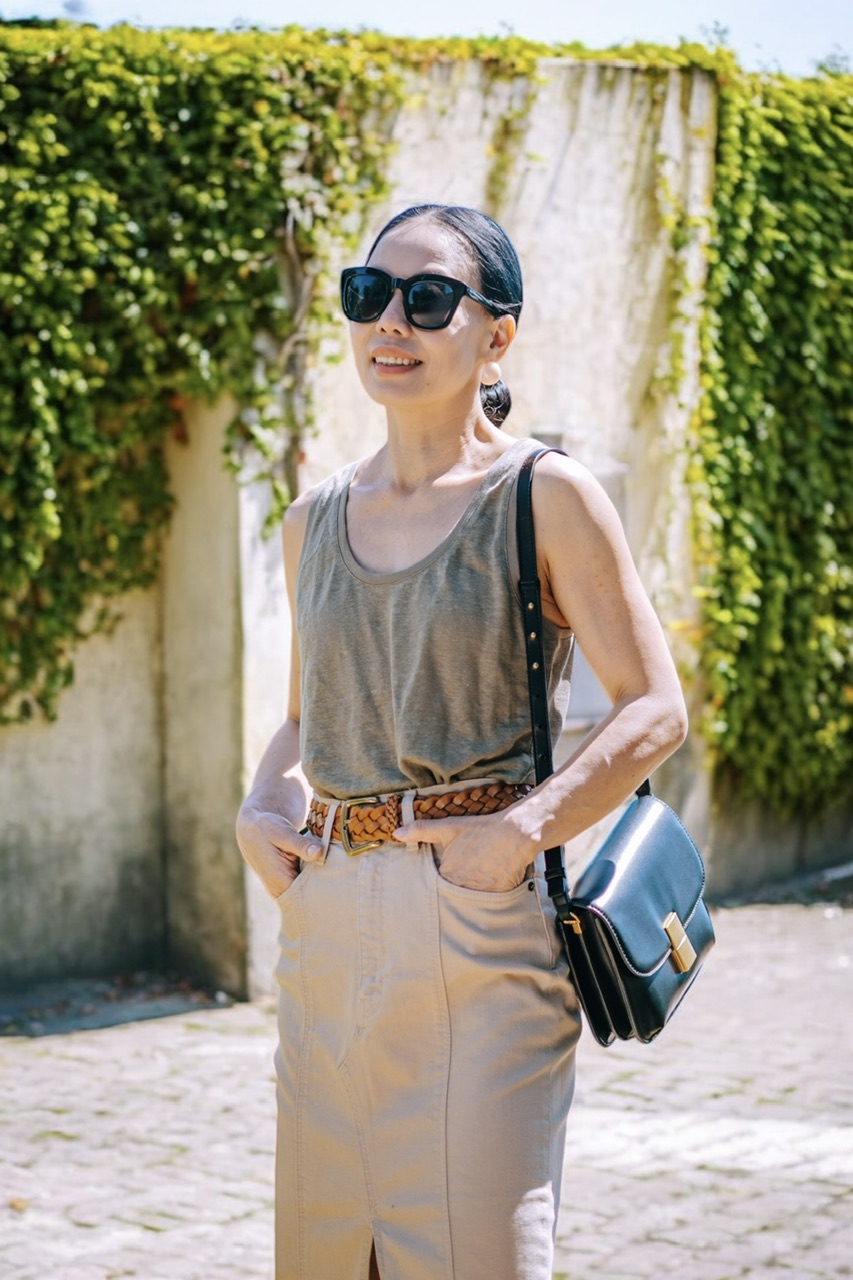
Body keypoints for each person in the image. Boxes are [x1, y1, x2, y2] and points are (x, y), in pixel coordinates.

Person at [236, 203, 688, 1280]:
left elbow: (652, 706)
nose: (389, 320)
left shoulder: (543, 494)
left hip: (479, 920)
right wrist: (261, 806)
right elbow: (309, 714)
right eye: (367, 293)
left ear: (496, 335)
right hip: (327, 920)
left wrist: (519, 833)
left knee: (482, 1256)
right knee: (328, 1254)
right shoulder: (313, 518)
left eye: (427, 296)